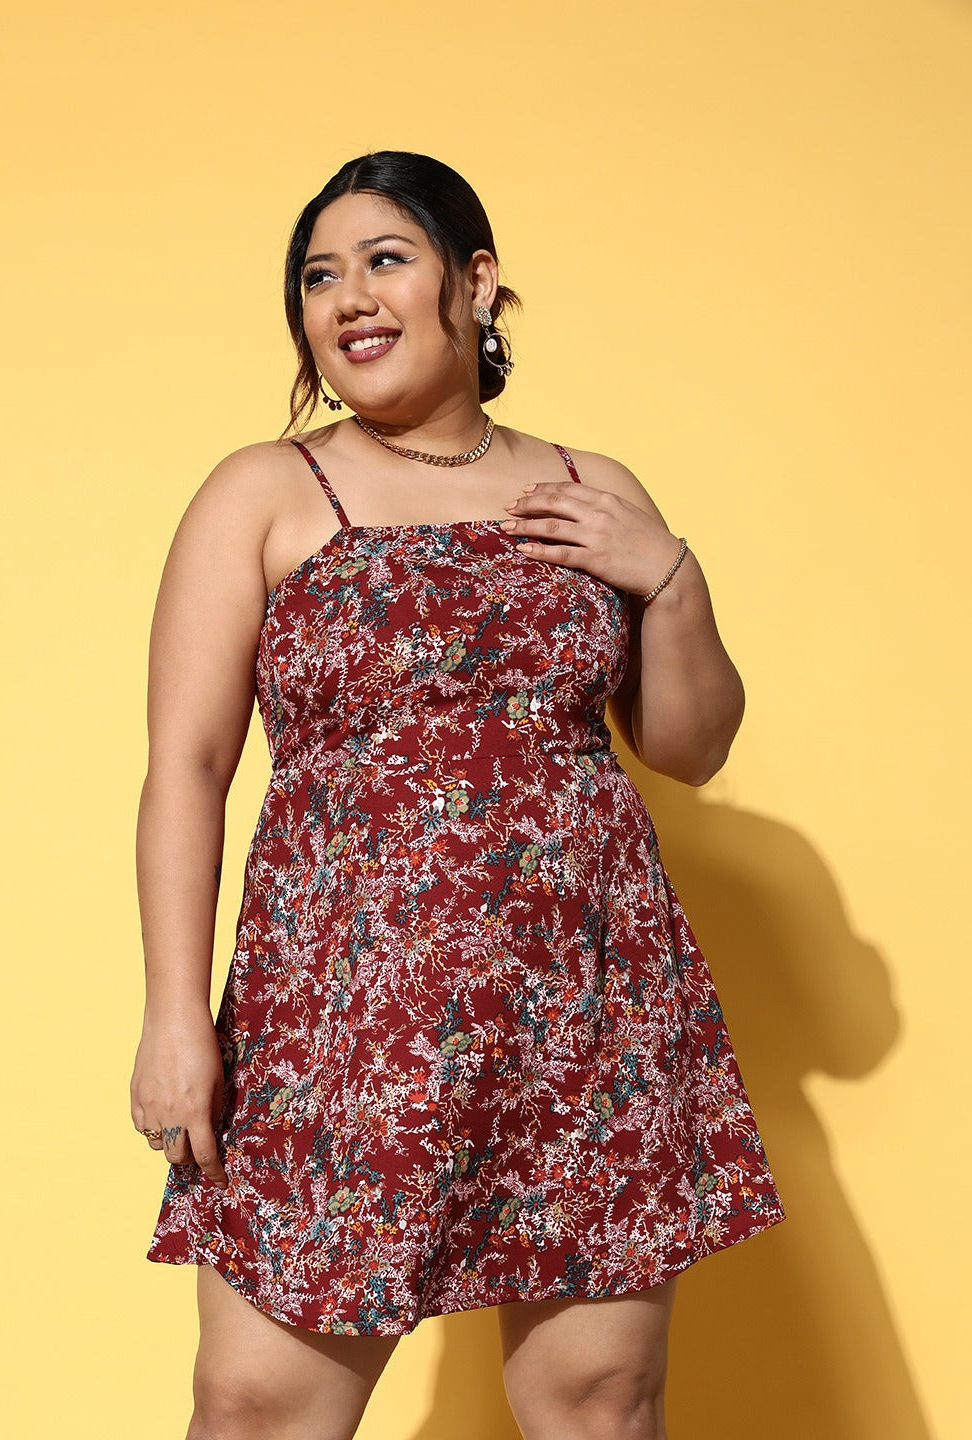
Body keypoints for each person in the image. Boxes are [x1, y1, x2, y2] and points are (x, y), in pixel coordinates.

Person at [130, 150, 785, 1440]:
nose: (348, 298)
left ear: (477, 284)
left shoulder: (593, 490)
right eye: (319, 276)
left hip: (586, 1009)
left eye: (386, 259)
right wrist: (173, 1019)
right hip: (340, 1014)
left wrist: (670, 577)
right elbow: (188, 769)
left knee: (602, 1403)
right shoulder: (265, 491)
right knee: (257, 1408)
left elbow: (689, 748)